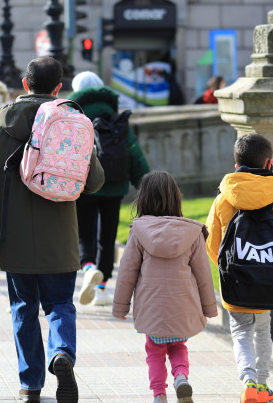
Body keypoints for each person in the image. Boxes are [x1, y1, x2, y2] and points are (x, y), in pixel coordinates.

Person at [0, 56, 105, 403]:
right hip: (60, 238)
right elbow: (94, 182)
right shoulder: (73, 122)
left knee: (23, 309)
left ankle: (30, 385)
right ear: (59, 87)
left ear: (24, 83)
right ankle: (61, 351)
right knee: (60, 303)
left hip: (13, 240)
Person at [205, 133, 273, 403]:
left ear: (236, 166)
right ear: (270, 164)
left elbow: (212, 239)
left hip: (236, 281)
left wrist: (227, 268)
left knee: (241, 331)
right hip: (268, 278)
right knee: (262, 329)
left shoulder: (225, 197)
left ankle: (248, 382)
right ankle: (263, 384)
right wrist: (268, 267)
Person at [112, 171, 217, 403]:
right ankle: (181, 377)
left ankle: (159, 393)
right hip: (183, 306)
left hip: (152, 309)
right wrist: (209, 307)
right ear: (175, 198)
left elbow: (127, 272)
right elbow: (203, 274)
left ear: (143, 200)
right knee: (178, 346)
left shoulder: (138, 232)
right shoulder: (192, 233)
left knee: (154, 351)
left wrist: (120, 307)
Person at [67, 71, 150, 307]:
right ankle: (102, 290)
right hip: (115, 186)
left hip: (85, 187)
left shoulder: (74, 118)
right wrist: (147, 186)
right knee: (107, 236)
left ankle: (89, 268)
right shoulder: (116, 117)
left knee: (84, 234)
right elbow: (134, 153)